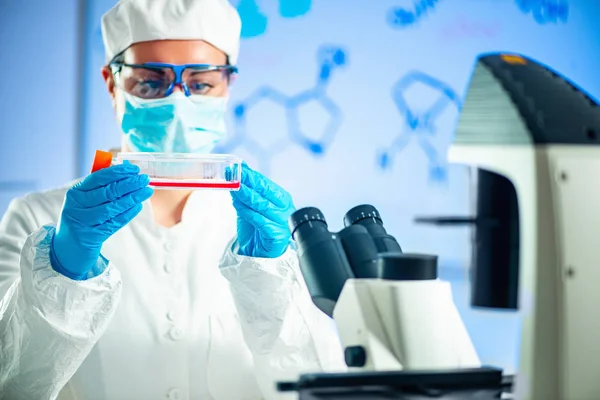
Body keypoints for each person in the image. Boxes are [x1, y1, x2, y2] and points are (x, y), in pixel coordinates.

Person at [0, 0, 345, 399]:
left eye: (200, 84)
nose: (177, 102)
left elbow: (317, 384)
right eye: (150, 82)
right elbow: (10, 383)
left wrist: (270, 282)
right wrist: (59, 272)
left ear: (228, 85)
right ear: (112, 83)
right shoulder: (37, 218)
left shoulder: (267, 226)